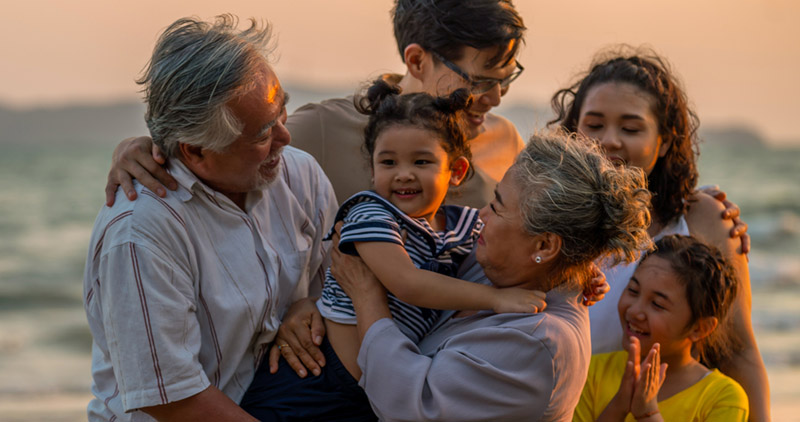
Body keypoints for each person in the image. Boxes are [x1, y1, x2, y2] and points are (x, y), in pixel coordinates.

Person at [239, 82, 545, 421]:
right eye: (388, 162)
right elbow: (406, 282)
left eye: (421, 161)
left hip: (372, 395)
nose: (403, 174)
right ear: (372, 170)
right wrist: (495, 300)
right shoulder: (371, 215)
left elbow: (517, 239)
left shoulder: (464, 225)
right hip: (315, 381)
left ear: (455, 172)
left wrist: (580, 274)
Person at [82, 16, 336, 421]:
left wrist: (309, 305)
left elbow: (342, 284)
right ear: (196, 151)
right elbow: (171, 397)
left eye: (282, 111)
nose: (286, 138)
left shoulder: (299, 173)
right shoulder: (141, 231)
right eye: (263, 133)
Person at [325, 131, 652, 421]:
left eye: (497, 207)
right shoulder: (510, 268)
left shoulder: (537, 344)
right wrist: (312, 310)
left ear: (544, 244)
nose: (480, 214)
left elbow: (410, 405)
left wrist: (365, 295)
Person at [104, 0, 528, 208]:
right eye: (480, 82)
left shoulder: (505, 140)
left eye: (505, 82)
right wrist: (143, 147)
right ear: (416, 58)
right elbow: (222, 150)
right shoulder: (324, 129)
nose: (492, 100)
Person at [549, 47, 769, 421]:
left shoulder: (701, 218)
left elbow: (739, 351)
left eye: (631, 128)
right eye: (594, 124)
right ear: (574, 132)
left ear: (665, 140)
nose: (610, 141)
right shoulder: (546, 215)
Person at [573, 234, 749, 422]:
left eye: (657, 304)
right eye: (633, 290)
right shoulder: (591, 372)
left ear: (700, 328)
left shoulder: (722, 398)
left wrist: (647, 413)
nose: (634, 311)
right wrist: (619, 404)